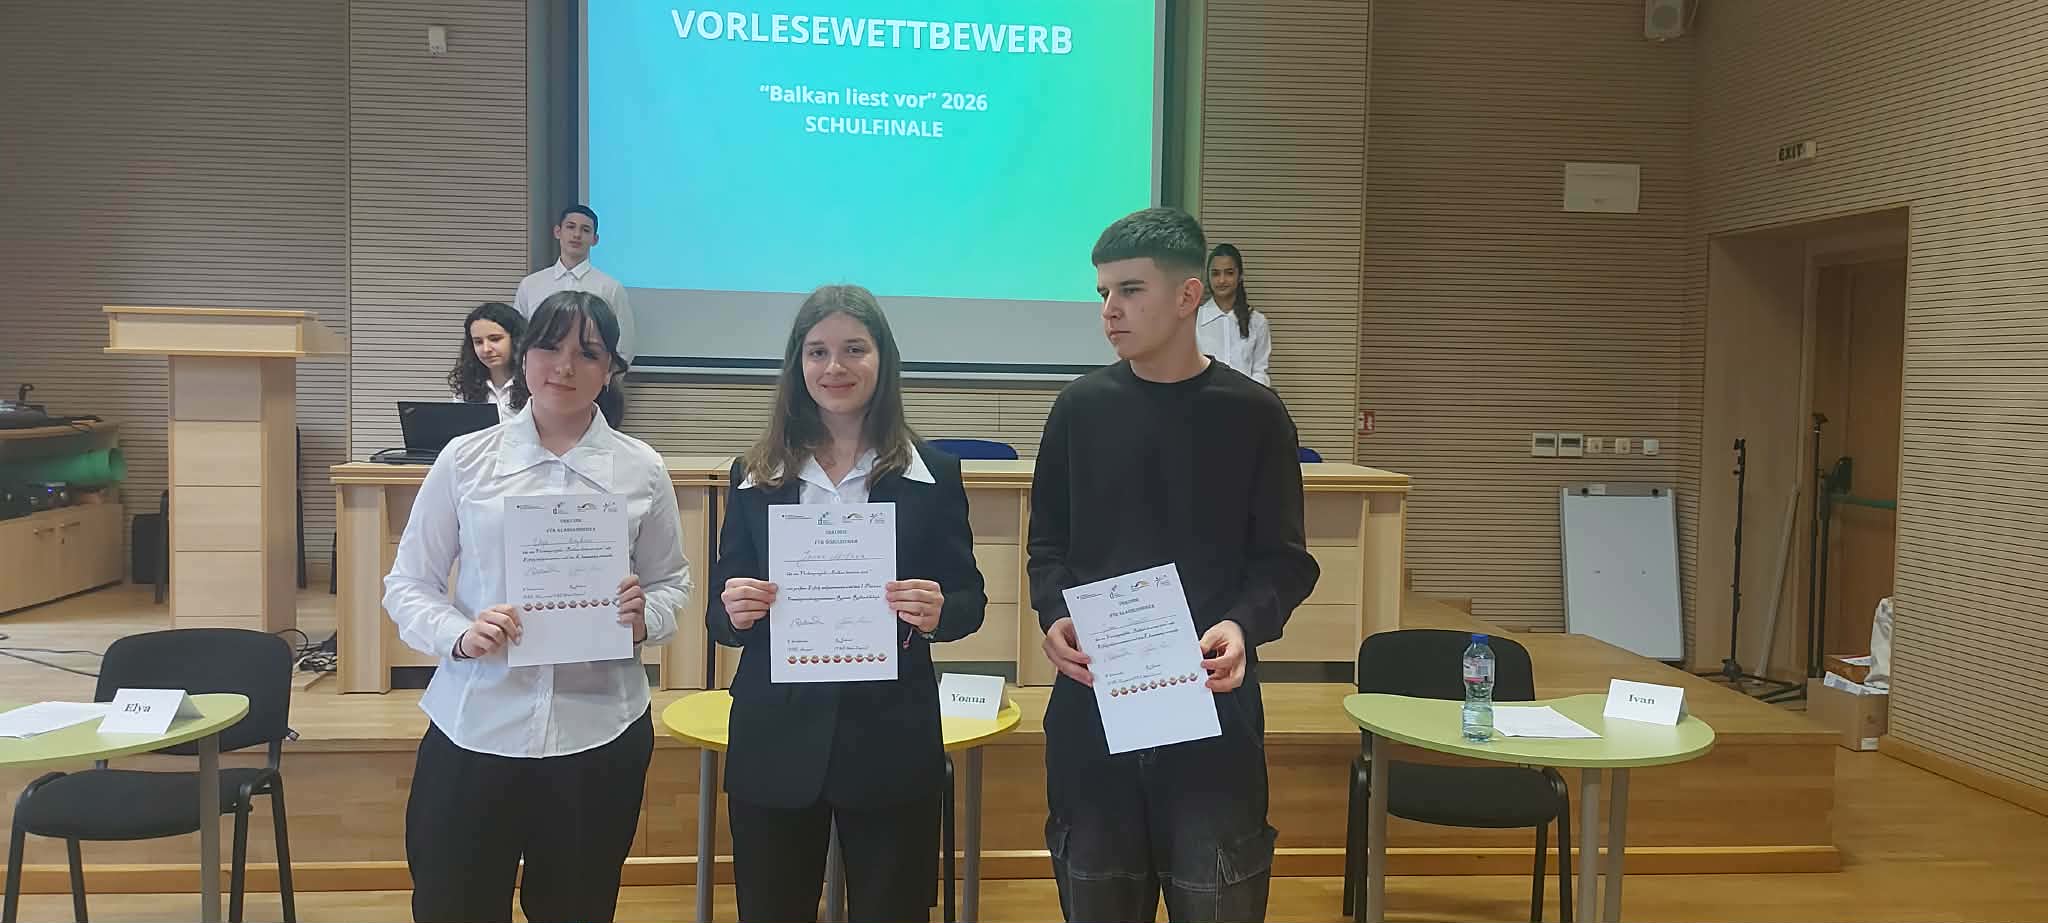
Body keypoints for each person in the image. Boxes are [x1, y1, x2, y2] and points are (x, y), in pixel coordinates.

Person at [1027, 208, 1319, 922]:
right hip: (1093, 719)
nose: (1110, 310)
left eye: (1130, 290)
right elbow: (1047, 549)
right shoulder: (1077, 411)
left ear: (1189, 295)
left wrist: (1242, 626)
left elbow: (1284, 562)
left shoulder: (1255, 415)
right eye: (1103, 292)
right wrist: (1055, 614)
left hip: (1212, 721)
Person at [385, 291, 689, 923]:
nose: (565, 366)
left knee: (577, 907)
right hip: (476, 725)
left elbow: (672, 584)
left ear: (610, 370)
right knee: (453, 905)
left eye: (588, 352)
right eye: (550, 347)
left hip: (598, 732)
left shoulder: (642, 468)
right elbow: (408, 583)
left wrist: (645, 620)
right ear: (523, 358)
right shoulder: (466, 460)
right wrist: (460, 634)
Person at [708, 284, 986, 923]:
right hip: (776, 741)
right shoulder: (754, 474)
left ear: (883, 359)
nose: (835, 367)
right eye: (818, 352)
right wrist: (735, 610)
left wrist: (940, 610)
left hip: (890, 738)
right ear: (797, 364)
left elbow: (969, 599)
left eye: (854, 349)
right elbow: (720, 617)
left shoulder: (933, 475)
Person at [514, 205, 636, 427]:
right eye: (571, 227)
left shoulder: (609, 287)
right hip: (538, 391)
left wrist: (602, 383)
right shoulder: (531, 285)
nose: (577, 235)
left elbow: (624, 346)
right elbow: (519, 339)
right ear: (557, 232)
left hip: (593, 395)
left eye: (585, 230)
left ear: (595, 239)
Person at [1196, 243, 1273, 387]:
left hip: (1247, 399)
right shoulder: (1194, 320)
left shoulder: (1257, 322)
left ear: (1240, 276)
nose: (1222, 280)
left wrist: (1251, 395)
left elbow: (1259, 371)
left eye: (1229, 273)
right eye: (1215, 273)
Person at [446, 301, 526, 421]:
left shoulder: (536, 384)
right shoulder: (466, 388)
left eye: (495, 339)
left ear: (516, 340)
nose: (486, 349)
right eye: (478, 342)